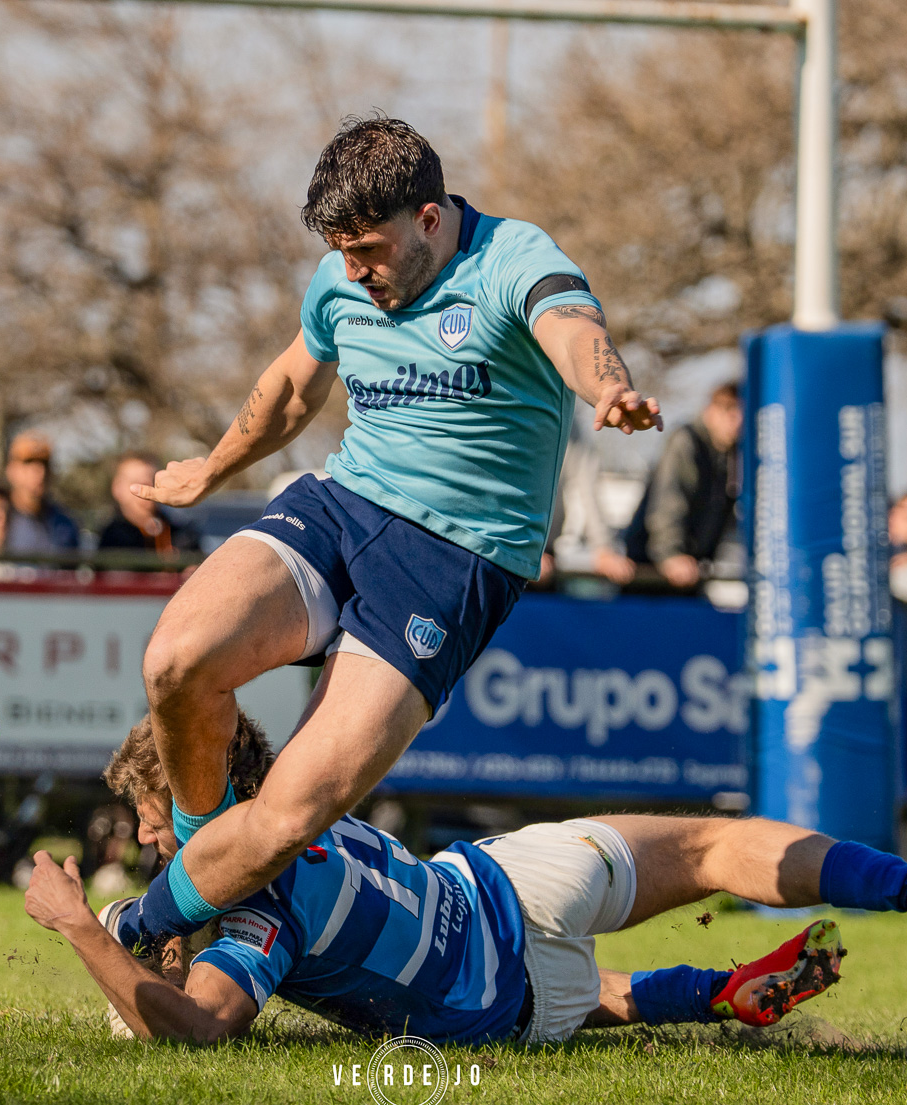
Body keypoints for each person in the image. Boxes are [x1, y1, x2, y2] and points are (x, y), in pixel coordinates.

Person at [120, 116, 663, 949]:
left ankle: (145, 925)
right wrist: (212, 471)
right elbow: (295, 390)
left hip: (454, 560)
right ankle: (203, 867)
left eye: (368, 249)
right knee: (176, 663)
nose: (353, 271)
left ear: (431, 220)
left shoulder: (515, 259)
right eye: (341, 251)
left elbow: (572, 329)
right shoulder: (341, 278)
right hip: (343, 506)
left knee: (292, 812)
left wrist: (608, 389)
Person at [24, 710, 907, 1045]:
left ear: (199, 814)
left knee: (602, 998)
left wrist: (83, 926)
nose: (159, 847)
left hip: (494, 1002)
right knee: (719, 844)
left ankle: (711, 993)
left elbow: (200, 1027)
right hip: (508, 884)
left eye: (162, 826)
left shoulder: (255, 912)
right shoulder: (302, 793)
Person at [598, 381, 742, 589]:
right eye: (729, 411)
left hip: (692, 569)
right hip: (652, 570)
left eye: (740, 412)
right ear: (710, 411)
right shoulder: (686, 442)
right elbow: (668, 501)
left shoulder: (732, 453)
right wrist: (670, 554)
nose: (737, 421)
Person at [95, 452, 199, 555]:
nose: (147, 488)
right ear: (117, 488)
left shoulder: (181, 533)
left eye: (153, 480)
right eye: (137, 483)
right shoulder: (113, 538)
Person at [0, 431, 80, 554]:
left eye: (44, 465)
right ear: (11, 469)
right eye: (28, 463)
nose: (40, 473)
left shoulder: (63, 525)